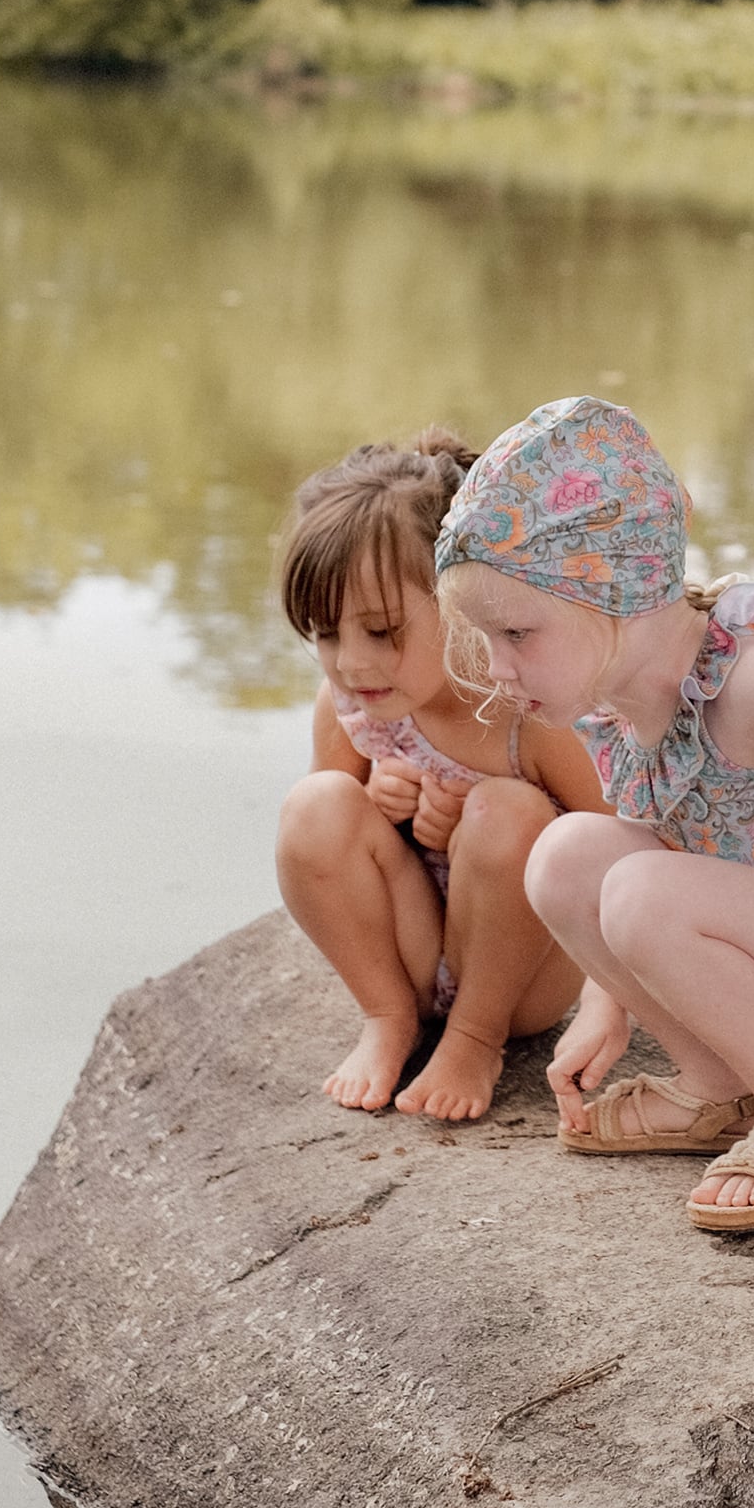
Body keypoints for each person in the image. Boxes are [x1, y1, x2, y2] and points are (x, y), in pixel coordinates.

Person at [433, 395, 754, 1232]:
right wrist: (610, 1003)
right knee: (565, 854)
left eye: (517, 633)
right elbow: (650, 856)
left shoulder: (751, 682)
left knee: (645, 890)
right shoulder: (621, 713)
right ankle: (718, 1087)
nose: (497, 668)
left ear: (616, 592)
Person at [274, 430, 609, 1122]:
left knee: (507, 812)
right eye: (327, 635)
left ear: (461, 602)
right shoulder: (350, 708)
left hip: (518, 974)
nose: (352, 665)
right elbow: (325, 855)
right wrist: (383, 809)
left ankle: (474, 1039)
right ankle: (389, 1017)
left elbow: (621, 851)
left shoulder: (530, 712)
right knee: (317, 804)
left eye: (381, 631)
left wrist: (478, 831)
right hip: (413, 946)